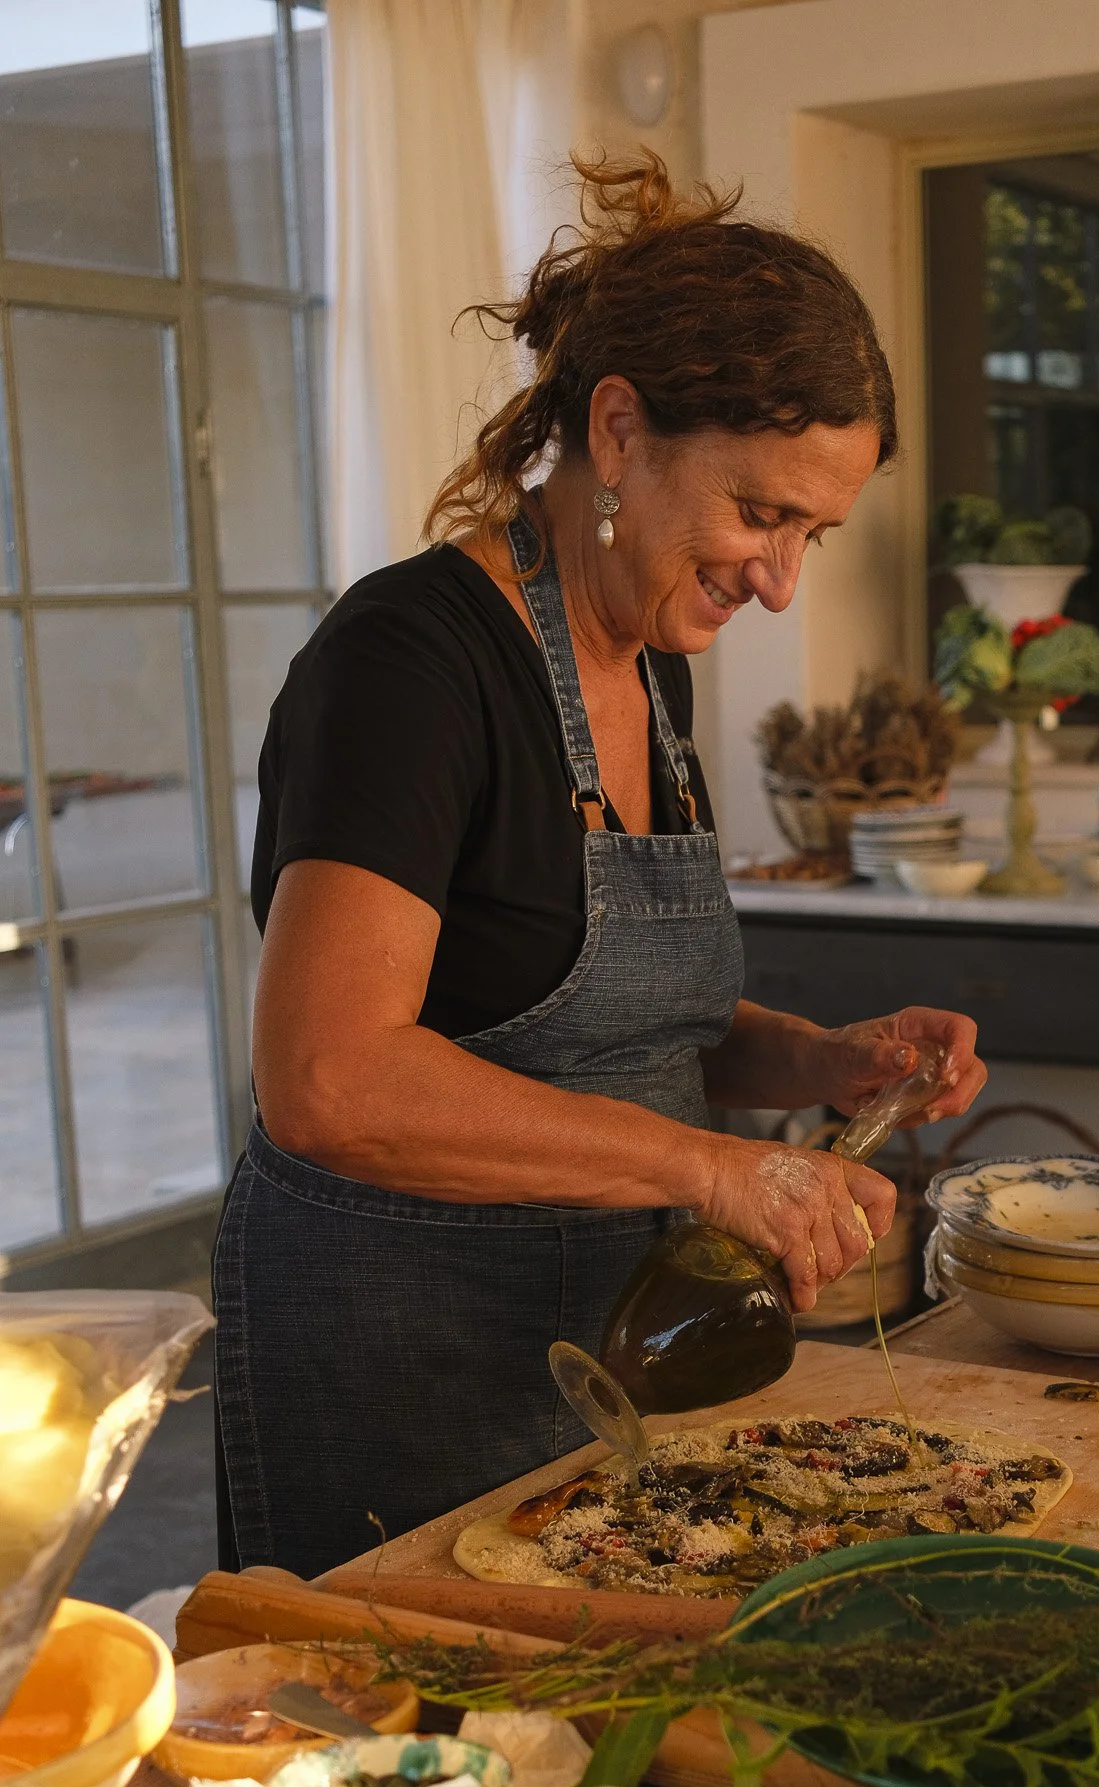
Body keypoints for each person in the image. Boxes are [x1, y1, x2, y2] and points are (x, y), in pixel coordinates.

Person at [215, 155, 986, 1580]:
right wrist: (713, 1172)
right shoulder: (412, 664)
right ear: (620, 432)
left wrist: (821, 1062)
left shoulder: (652, 673)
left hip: (599, 1371)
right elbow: (325, 1079)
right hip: (406, 1372)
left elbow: (599, 1023)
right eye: (762, 513)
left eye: (812, 532)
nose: (781, 581)